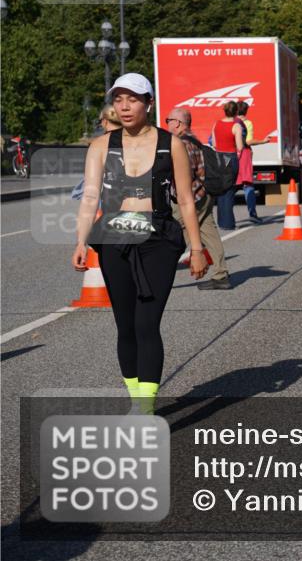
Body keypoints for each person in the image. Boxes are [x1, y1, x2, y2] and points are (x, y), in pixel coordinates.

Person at [72, 73, 208, 415]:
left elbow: (187, 201)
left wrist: (197, 248)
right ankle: (137, 396)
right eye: (118, 100)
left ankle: (144, 408)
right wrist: (80, 242)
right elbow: (90, 197)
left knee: (147, 323)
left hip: (158, 239)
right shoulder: (101, 146)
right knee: (126, 324)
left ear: (149, 102)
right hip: (115, 238)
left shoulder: (170, 144)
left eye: (132, 99)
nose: (125, 106)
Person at [166, 108, 232, 290]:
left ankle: (157, 276)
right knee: (209, 233)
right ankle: (221, 275)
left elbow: (183, 176)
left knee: (169, 234)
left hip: (190, 198)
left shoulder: (182, 145)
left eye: (168, 120)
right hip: (205, 194)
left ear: (178, 123)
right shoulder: (195, 140)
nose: (167, 124)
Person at [211, 101, 244, 230]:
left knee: (221, 190)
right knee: (229, 190)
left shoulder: (216, 124)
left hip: (218, 157)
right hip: (229, 157)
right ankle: (228, 222)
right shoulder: (236, 126)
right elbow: (240, 146)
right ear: (236, 112)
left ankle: (221, 221)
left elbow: (214, 143)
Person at [236, 101, 262, 224]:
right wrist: (264, 141)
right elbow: (249, 141)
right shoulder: (247, 123)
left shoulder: (231, 122)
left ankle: (226, 217)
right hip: (244, 156)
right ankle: (252, 213)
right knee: (248, 186)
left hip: (230, 156)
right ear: (246, 111)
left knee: (230, 187)